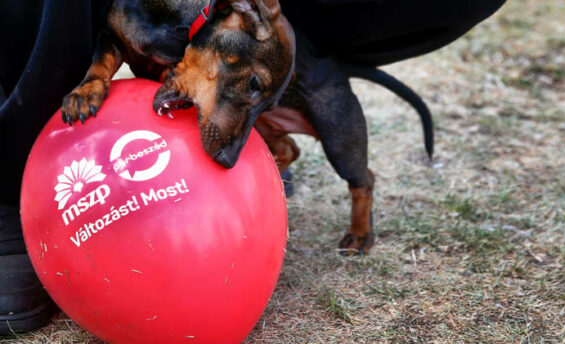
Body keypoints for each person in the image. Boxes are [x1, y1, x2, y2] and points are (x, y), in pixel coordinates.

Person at [0, 0, 505, 334]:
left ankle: (359, 206)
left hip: (305, 66)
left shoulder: (234, 41)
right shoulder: (147, 18)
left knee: (348, 158)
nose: (228, 146)